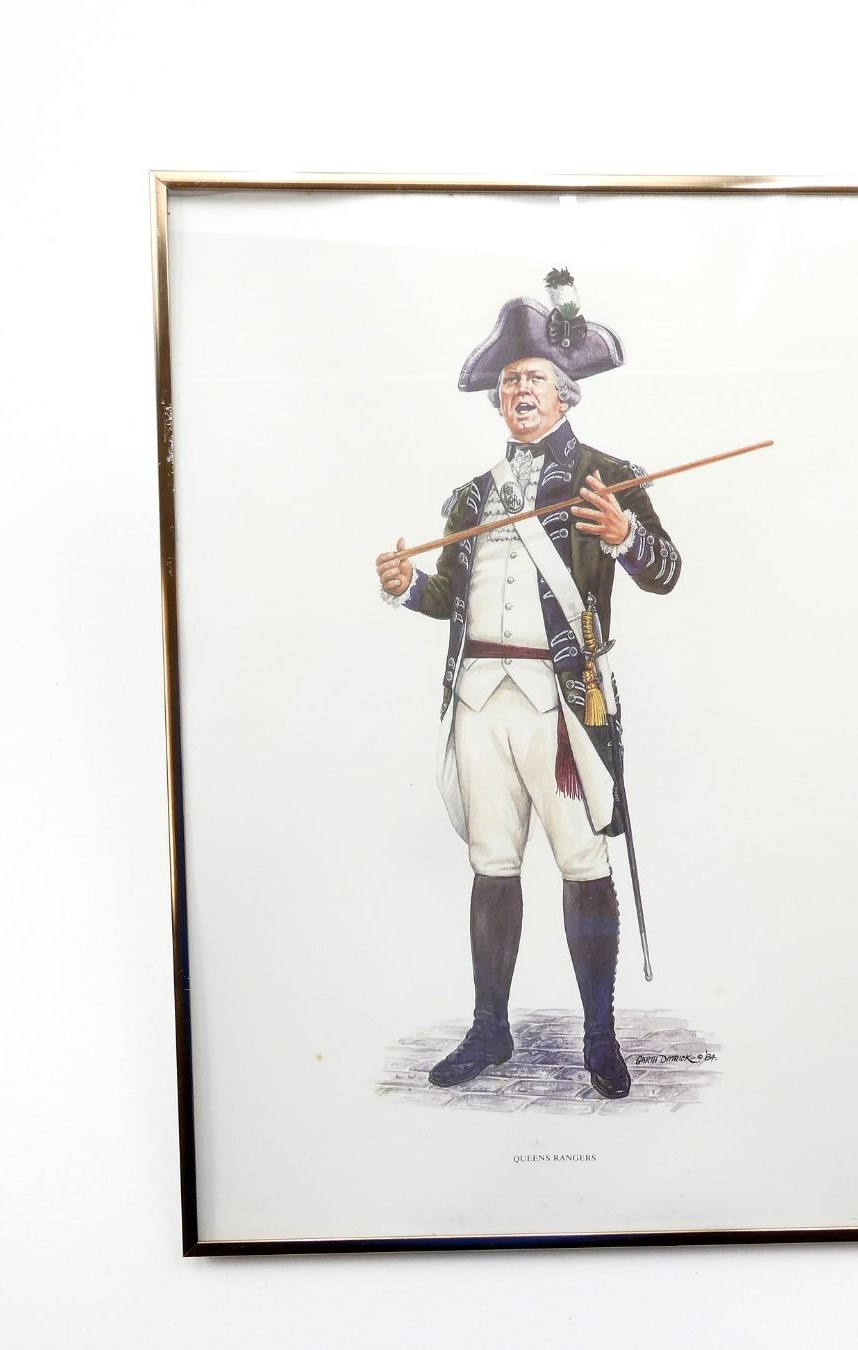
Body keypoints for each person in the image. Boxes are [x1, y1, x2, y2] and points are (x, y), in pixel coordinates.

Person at [375, 270, 681, 1100]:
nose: (520, 392)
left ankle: (600, 1039)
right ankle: (490, 1029)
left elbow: (665, 572)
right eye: (510, 381)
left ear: (565, 392)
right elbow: (448, 598)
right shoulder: (473, 498)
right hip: (478, 699)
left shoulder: (608, 477)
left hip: (561, 702)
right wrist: (406, 585)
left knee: (582, 862)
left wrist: (624, 536)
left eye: (535, 378)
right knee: (492, 863)